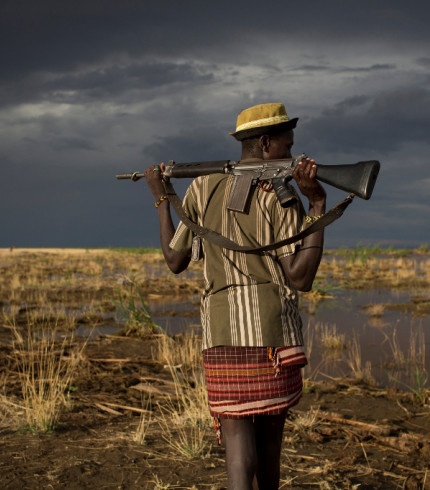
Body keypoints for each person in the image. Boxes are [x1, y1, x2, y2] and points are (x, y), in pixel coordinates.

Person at [143, 103, 326, 489]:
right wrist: (318, 205)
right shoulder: (281, 195)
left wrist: (163, 198)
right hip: (272, 339)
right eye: (287, 146)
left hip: (223, 336)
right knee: (269, 452)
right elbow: (301, 277)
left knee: (239, 454)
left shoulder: (200, 188)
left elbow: (175, 260)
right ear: (264, 143)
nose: (293, 156)